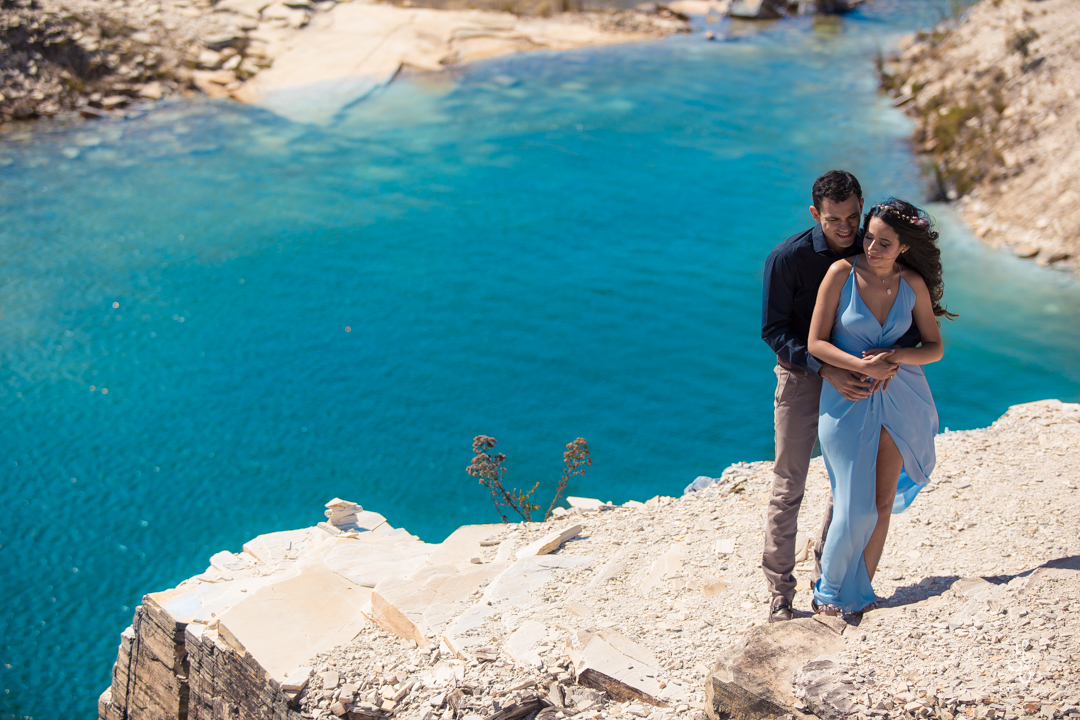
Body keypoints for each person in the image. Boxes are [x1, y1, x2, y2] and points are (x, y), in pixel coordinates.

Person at [760, 170, 918, 623]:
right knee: (789, 485)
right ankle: (779, 592)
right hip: (802, 377)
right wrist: (826, 368)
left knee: (848, 487)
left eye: (853, 217)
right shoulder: (787, 258)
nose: (847, 229)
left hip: (861, 379)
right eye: (834, 220)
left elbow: (901, 302)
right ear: (815, 214)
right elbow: (773, 330)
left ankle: (827, 577)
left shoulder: (872, 246)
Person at [807, 198, 955, 616]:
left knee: (882, 502)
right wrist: (860, 365)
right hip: (847, 397)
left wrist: (896, 357)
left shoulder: (912, 284)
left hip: (901, 396)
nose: (872, 248)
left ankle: (862, 595)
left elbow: (934, 347)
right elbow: (815, 342)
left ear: (903, 247)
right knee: (854, 504)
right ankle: (829, 595)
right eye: (869, 238)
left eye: (884, 243)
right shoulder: (841, 274)